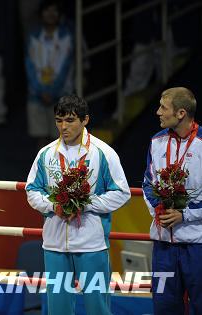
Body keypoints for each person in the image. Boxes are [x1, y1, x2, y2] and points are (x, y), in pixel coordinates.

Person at [25, 95, 130, 315]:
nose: (63, 126)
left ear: (85, 120)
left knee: (97, 308)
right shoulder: (45, 154)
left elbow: (122, 193)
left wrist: (86, 204)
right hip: (54, 245)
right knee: (58, 310)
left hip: (91, 244)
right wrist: (55, 206)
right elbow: (32, 191)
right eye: (59, 120)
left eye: (70, 120)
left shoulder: (103, 153)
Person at [142, 87, 202, 314]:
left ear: (181, 113)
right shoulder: (156, 142)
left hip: (197, 245)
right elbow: (148, 183)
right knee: (164, 308)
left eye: (163, 107)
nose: (157, 112)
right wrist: (160, 211)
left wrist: (185, 215)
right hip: (163, 246)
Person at [25, 0, 74, 149]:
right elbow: (30, 66)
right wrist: (40, 90)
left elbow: (66, 67)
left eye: (55, 11)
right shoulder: (33, 36)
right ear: (41, 14)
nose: (51, 14)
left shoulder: (67, 36)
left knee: (61, 136)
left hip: (61, 94)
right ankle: (42, 171)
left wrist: (52, 92)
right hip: (36, 94)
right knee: (41, 138)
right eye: (47, 10)